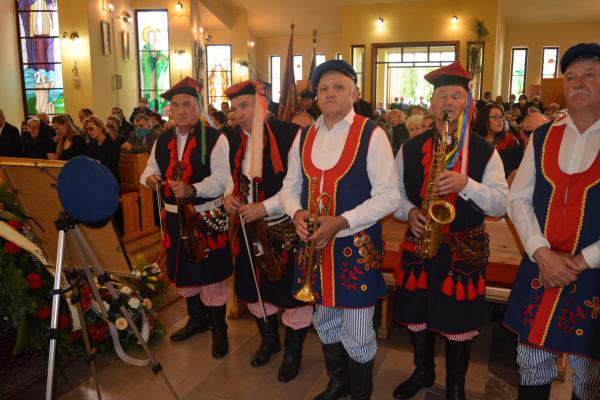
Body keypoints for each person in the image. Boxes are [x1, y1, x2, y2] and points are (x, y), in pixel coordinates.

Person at [281, 60, 400, 399]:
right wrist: (297, 212)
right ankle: (338, 383)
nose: (330, 93)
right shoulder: (303, 135)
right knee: (325, 320)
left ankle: (360, 393)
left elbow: (389, 196)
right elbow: (290, 186)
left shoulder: (371, 133)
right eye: (323, 89)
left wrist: (342, 221)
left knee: (359, 329)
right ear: (316, 96)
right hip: (314, 247)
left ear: (354, 93)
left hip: (354, 246)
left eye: (339, 87)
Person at [393, 61, 508, 400]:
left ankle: (456, 384)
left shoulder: (486, 151)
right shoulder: (410, 148)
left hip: (463, 250)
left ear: (467, 103)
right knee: (417, 312)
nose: (447, 102)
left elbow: (500, 205)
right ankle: (423, 372)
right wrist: (409, 210)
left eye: (456, 96)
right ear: (432, 103)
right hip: (420, 245)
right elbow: (394, 196)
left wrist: (466, 183)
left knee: (459, 320)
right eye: (441, 95)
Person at [504, 43, 600, 400]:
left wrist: (579, 261)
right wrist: (540, 253)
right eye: (571, 77)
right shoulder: (543, 136)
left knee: (588, 374)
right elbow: (518, 198)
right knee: (531, 359)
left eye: (590, 74)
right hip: (539, 267)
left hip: (593, 274)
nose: (577, 83)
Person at [223, 80, 313, 383]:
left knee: (289, 292)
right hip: (247, 229)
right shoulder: (234, 139)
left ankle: (293, 352)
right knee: (254, 289)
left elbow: (297, 185)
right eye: (235, 109)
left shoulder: (291, 135)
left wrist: (264, 208)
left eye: (245, 106)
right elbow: (228, 179)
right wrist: (228, 197)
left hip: (283, 229)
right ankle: (269, 339)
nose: (240, 114)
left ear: (262, 104)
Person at [140, 77, 233, 358]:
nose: (180, 110)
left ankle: (219, 329)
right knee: (184, 273)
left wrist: (193, 188)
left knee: (212, 275)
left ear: (198, 108)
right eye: (176, 105)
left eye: (187, 105)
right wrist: (152, 180)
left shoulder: (216, 138)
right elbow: (148, 170)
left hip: (206, 216)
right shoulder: (162, 139)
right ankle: (197, 320)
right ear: (169, 109)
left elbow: (223, 179)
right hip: (172, 218)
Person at [474, 104, 524, 178]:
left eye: (501, 117)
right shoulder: (474, 140)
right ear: (483, 119)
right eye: (495, 117)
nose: (500, 120)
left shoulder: (511, 140)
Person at [84, 115, 120, 180]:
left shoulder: (113, 144)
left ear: (100, 128)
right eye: (87, 130)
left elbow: (110, 166)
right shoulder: (91, 144)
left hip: (109, 179)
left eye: (91, 128)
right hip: (94, 177)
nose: (89, 132)